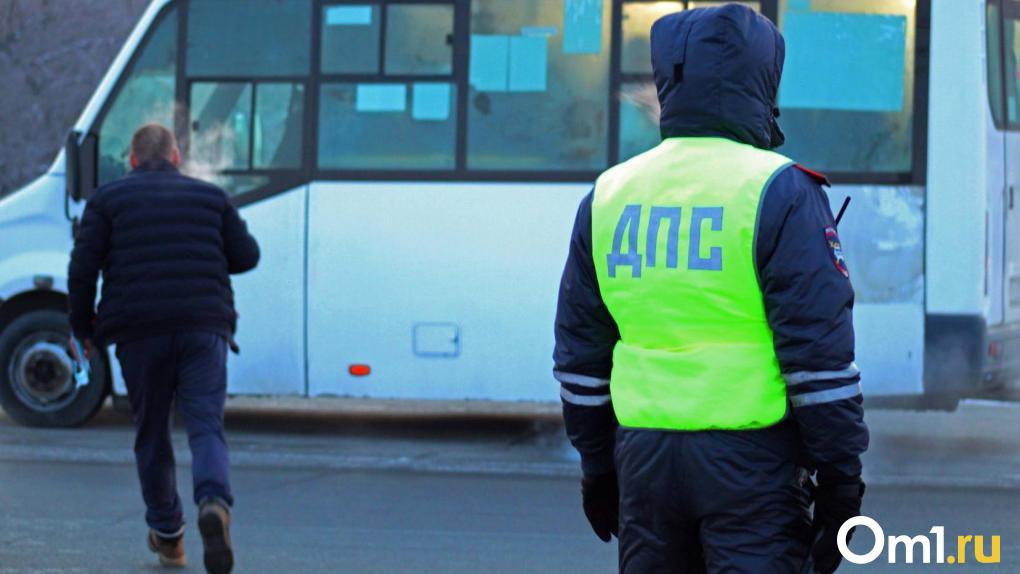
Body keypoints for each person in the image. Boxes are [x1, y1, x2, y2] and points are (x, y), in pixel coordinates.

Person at [553, 5, 868, 574]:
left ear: (668, 78)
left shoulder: (609, 194)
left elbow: (581, 354)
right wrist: (842, 478)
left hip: (644, 461)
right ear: (762, 79)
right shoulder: (780, 190)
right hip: (752, 465)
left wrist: (598, 466)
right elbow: (818, 357)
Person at [68, 123, 259, 574]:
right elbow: (247, 256)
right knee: (205, 426)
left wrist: (82, 327)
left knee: (151, 434)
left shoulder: (108, 199)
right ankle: (213, 502)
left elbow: (83, 268)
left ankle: (169, 536)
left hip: (139, 332)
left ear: (132, 160)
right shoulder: (210, 197)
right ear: (176, 157)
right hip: (203, 327)